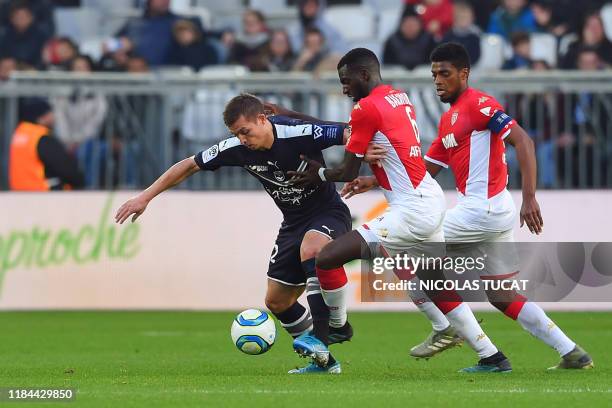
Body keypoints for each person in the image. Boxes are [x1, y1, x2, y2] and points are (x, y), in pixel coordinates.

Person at [352, 43, 593, 369]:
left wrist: (531, 197)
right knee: (502, 296)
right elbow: (425, 170)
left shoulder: (480, 104)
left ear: (464, 74)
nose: (438, 80)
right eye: (434, 73)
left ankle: (446, 328)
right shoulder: (448, 120)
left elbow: (523, 140)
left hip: (483, 209)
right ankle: (572, 353)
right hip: (490, 212)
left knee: (403, 250)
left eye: (445, 73)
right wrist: (373, 180)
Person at [285, 47, 512, 373]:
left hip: (411, 210)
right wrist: (371, 169)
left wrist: (319, 174)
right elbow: (397, 152)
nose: (344, 89)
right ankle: (492, 356)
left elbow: (344, 172)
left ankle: (331, 330)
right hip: (429, 197)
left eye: (346, 81)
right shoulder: (398, 97)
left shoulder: (365, 108)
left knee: (327, 257)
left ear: (364, 75)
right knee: (433, 282)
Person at [115, 94, 354, 374]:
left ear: (263, 120)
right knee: (277, 301)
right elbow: (190, 164)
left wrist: (345, 172)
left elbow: (350, 133)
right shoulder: (236, 148)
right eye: (236, 134)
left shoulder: (297, 132)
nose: (242, 139)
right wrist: (145, 197)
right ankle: (324, 363)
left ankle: (326, 334)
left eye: (245, 131)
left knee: (312, 248)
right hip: (293, 223)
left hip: (329, 212)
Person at [9, 99, 84, 191]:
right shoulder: (41, 138)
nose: (53, 117)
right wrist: (79, 180)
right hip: (42, 194)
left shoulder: (19, 133)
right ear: (41, 117)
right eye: (50, 113)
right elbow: (66, 168)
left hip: (18, 192)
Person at [0, 0, 49, 67]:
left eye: (24, 16)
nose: (21, 19)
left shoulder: (41, 36)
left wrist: (19, 64)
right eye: (17, 16)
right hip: (9, 71)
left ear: (31, 18)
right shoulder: (5, 36)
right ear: (11, 19)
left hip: (33, 71)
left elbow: (42, 59)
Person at [442, 0, 481, 66]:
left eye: (466, 17)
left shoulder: (475, 36)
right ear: (455, 18)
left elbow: (475, 56)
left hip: (472, 68)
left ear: (472, 18)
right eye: (461, 17)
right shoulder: (448, 36)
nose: (463, 20)